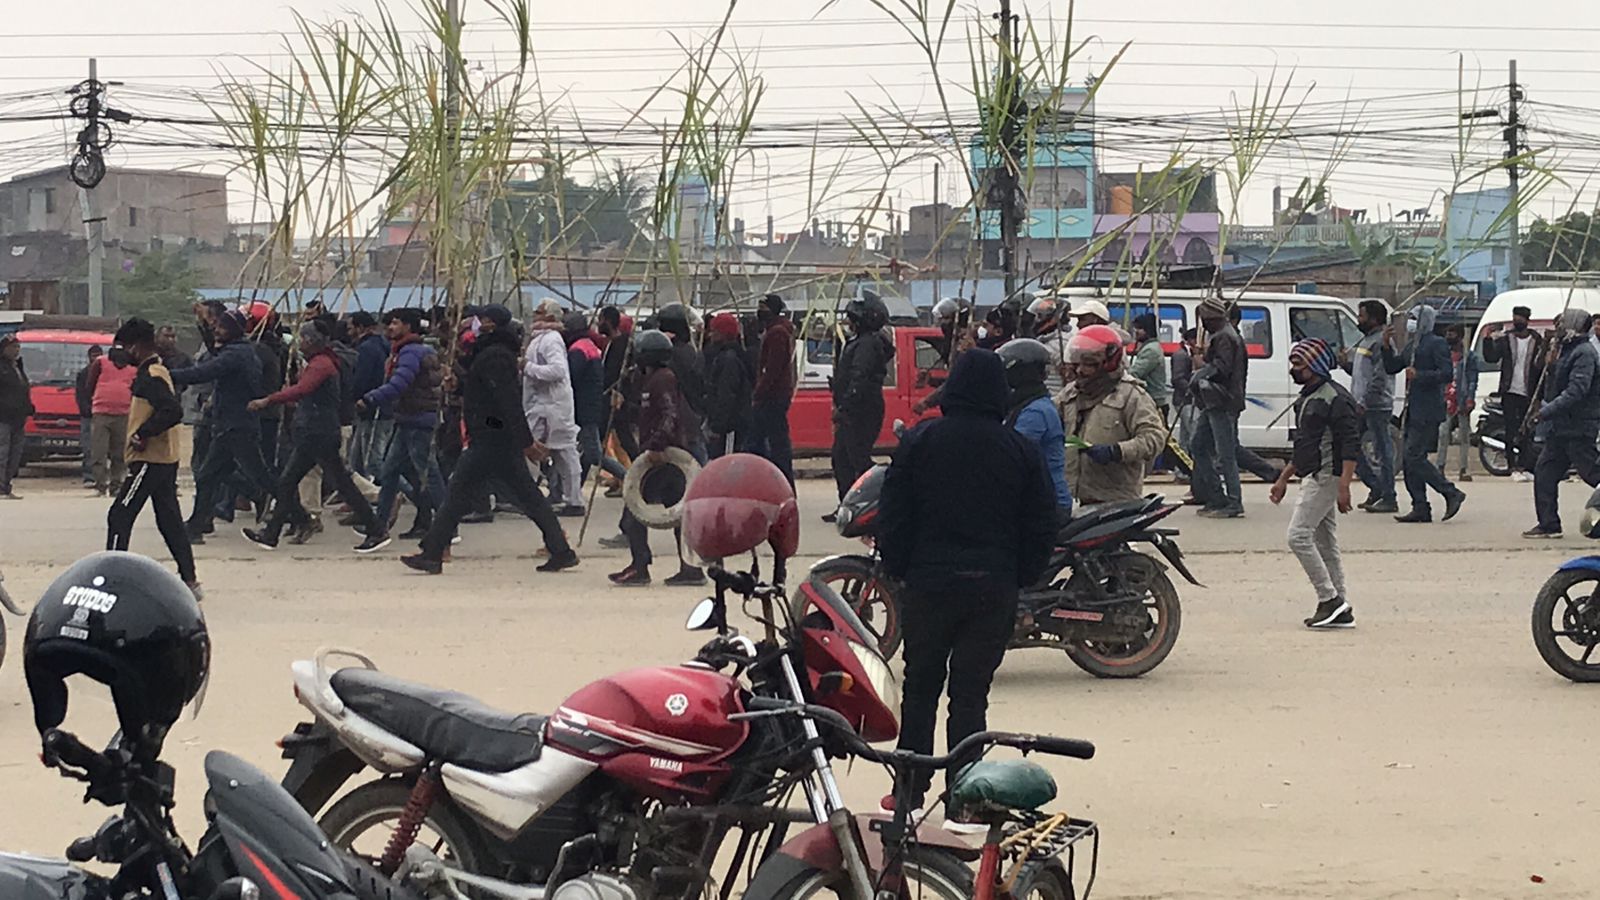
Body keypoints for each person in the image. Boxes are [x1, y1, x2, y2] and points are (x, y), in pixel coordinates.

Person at [876, 348, 1056, 821]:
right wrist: (1021, 575)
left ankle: (908, 792)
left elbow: (894, 513)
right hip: (992, 588)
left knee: (920, 690)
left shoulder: (920, 441)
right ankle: (964, 795)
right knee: (971, 695)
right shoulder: (1019, 449)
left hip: (929, 585)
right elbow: (1042, 523)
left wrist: (901, 567)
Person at [402, 304, 578, 575]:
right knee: (527, 497)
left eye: (481, 320)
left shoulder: (496, 356)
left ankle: (432, 552)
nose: (475, 325)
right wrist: (459, 386)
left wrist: (525, 441)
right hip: (495, 435)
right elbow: (485, 391)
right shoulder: (490, 353)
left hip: (491, 435)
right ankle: (561, 549)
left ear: (491, 324)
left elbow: (507, 401)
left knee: (458, 492)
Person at [242, 321, 383, 550]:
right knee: (289, 482)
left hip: (319, 432)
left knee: (340, 484)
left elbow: (302, 390)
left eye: (303, 339)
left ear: (311, 340)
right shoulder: (321, 362)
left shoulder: (321, 364)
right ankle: (272, 532)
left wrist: (269, 400)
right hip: (314, 432)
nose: (300, 343)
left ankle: (375, 529)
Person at [103, 318, 200, 599]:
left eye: (124, 347)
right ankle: (190, 580)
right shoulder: (157, 369)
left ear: (135, 347)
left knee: (120, 514)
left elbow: (172, 411)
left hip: (149, 460)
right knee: (169, 521)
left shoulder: (151, 376)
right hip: (163, 459)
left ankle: (112, 578)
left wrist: (143, 433)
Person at [1269, 338, 1360, 629]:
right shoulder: (1309, 397)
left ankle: (1328, 599)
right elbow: (1305, 446)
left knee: (1297, 536)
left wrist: (1344, 485)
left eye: (1299, 364)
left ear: (1315, 365)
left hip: (1327, 476)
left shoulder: (1336, 399)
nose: (1293, 370)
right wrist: (1284, 478)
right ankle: (1340, 605)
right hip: (1314, 474)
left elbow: (1350, 445)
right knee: (1325, 543)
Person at [171, 308, 276, 544]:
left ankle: (298, 514)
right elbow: (213, 353)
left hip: (237, 426)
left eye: (221, 327)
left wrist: (168, 375)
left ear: (233, 331)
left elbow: (204, 372)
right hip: (230, 425)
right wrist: (204, 326)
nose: (217, 330)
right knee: (209, 475)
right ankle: (197, 525)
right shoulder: (238, 350)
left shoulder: (236, 355)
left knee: (260, 477)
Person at [609, 330, 694, 587]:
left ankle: (640, 567)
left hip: (662, 457)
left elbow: (670, 414)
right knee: (678, 514)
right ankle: (690, 567)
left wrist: (657, 445)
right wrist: (626, 407)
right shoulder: (653, 379)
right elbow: (650, 413)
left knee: (634, 514)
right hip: (663, 454)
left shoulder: (662, 380)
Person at [356, 308, 443, 550]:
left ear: (408, 326)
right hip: (408, 419)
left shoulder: (410, 352)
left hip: (417, 420)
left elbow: (400, 383)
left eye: (395, 323)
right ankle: (379, 527)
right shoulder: (408, 350)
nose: (390, 328)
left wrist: (371, 398)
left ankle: (447, 524)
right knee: (390, 471)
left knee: (428, 473)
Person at [1057, 324, 1166, 505]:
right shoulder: (1070, 393)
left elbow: (1154, 438)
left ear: (1108, 364)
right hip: (1073, 498)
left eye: (1089, 364)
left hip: (1115, 500)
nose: (1080, 371)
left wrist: (1117, 451)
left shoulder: (1131, 396)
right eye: (1077, 364)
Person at [1524, 308, 1600, 538]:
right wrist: (1550, 359)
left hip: (1578, 426)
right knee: (1544, 473)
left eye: (1562, 324)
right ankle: (1549, 524)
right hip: (1561, 428)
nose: (1557, 328)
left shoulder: (1584, 353)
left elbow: (1576, 391)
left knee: (1592, 473)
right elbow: (1549, 382)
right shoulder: (1565, 351)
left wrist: (1546, 412)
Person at [1387, 304, 1466, 523]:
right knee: (1409, 459)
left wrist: (1420, 375)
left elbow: (1446, 374)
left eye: (1414, 318)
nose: (1410, 322)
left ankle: (1450, 491)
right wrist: (1386, 345)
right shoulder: (1412, 344)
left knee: (1414, 456)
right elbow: (1392, 366)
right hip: (1413, 408)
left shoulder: (1436, 343)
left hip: (1428, 409)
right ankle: (1420, 506)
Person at [828, 294, 894, 516]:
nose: (848, 323)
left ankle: (874, 502)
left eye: (851, 318)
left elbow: (860, 378)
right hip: (856, 408)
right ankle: (848, 505)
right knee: (842, 458)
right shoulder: (860, 342)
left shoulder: (867, 344)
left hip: (861, 410)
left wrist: (845, 406)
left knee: (856, 459)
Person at [998, 338, 1072, 515]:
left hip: (1048, 504)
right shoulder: (1024, 404)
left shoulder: (1036, 412)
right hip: (1036, 498)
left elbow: (1011, 455)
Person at [523, 299, 583, 515]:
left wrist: (527, 367)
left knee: (538, 450)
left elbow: (557, 371)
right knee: (558, 454)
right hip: (542, 405)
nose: (534, 315)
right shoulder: (539, 339)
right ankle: (565, 499)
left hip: (551, 407)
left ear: (549, 316)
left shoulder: (552, 340)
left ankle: (570, 500)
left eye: (538, 312)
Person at [1189, 296, 1247, 518]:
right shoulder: (1222, 335)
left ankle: (1233, 501)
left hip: (1223, 400)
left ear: (1210, 318)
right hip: (1214, 401)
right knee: (1198, 446)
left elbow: (1221, 368)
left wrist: (1199, 373)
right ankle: (1216, 496)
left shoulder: (1225, 337)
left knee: (1225, 454)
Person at [1481, 305, 1545, 482]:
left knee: (1527, 431)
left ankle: (1524, 466)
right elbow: (1491, 357)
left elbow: (1540, 367)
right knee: (1511, 429)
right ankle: (1512, 467)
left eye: (1520, 318)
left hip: (1529, 393)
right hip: (1509, 391)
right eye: (1515, 318)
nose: (1517, 321)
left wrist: (1539, 396)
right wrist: (1487, 340)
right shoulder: (1506, 338)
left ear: (1527, 320)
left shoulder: (1536, 339)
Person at [1346, 300, 1398, 513]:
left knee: (1382, 451)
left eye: (1362, 316)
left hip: (1376, 406)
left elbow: (1379, 378)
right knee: (1350, 447)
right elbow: (1362, 373)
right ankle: (1376, 487)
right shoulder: (1366, 340)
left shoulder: (1381, 342)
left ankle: (1389, 496)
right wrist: (1345, 364)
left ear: (1374, 319)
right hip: (1361, 403)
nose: (1358, 320)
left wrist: (1365, 401)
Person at [746, 294, 797, 483]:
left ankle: (782, 482)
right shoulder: (777, 330)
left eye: (763, 308)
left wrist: (759, 392)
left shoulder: (777, 333)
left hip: (772, 397)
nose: (760, 312)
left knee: (774, 444)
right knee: (775, 442)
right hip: (775, 395)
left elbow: (772, 369)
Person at [86, 344, 138, 496]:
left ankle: (116, 485)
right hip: (101, 413)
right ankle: (100, 485)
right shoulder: (100, 362)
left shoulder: (134, 367)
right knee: (99, 452)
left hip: (124, 413)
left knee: (119, 453)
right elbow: (90, 384)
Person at [564, 311, 606, 499]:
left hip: (583, 407)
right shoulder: (590, 346)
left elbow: (571, 379)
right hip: (593, 404)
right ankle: (572, 489)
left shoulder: (577, 351)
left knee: (594, 454)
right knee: (582, 451)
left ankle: (628, 477)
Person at [347, 310, 391, 478]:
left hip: (371, 408)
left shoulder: (366, 349)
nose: (348, 332)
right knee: (356, 461)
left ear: (360, 328)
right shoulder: (384, 345)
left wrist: (356, 397)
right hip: (382, 406)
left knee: (373, 462)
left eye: (351, 328)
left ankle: (402, 489)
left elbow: (361, 379)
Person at [704, 311, 753, 458]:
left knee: (727, 460)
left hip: (730, 426)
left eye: (714, 331)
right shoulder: (733, 355)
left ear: (722, 334)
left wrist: (719, 425)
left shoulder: (728, 359)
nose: (710, 335)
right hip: (733, 422)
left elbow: (726, 393)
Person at [1437, 323, 1480, 482]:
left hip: (1461, 399)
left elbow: (1472, 379)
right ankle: (1440, 467)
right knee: (1443, 434)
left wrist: (1470, 398)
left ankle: (1463, 469)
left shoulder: (1469, 357)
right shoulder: (1443, 355)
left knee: (1464, 436)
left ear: (1460, 336)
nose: (1449, 336)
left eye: (1452, 333)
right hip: (1445, 399)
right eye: (1447, 333)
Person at [0, 333, 33, 499]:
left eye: (18, 347)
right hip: (3, 419)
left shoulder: (18, 367)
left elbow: (23, 390)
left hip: (18, 419)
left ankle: (7, 485)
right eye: (13, 347)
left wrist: (29, 407)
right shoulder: (2, 368)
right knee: (2, 453)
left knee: (15, 455)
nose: (16, 350)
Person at [1127, 313, 1172, 416]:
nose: (1136, 331)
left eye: (1140, 328)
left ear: (1148, 330)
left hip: (1153, 402)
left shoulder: (1151, 350)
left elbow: (1135, 373)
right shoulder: (1151, 347)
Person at [74, 345, 104, 486]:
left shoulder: (106, 373)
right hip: (88, 415)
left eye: (98, 355)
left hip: (103, 413)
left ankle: (102, 476)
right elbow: (80, 395)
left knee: (102, 447)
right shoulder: (83, 374)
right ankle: (89, 475)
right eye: (93, 355)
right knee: (88, 447)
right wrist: (87, 410)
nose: (96, 358)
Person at [1170, 327, 1198, 458]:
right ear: (1192, 340)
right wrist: (1193, 390)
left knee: (1185, 437)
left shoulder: (1188, 354)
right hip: (1185, 400)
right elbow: (1177, 379)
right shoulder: (1181, 356)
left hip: (1187, 400)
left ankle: (1182, 465)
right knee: (1194, 433)